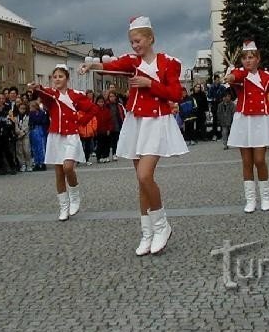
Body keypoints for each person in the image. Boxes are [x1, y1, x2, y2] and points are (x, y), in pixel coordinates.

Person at [80, 16, 188, 255]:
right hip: (136, 122)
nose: (135, 46)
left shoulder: (169, 63)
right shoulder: (131, 61)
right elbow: (112, 66)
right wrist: (91, 66)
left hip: (157, 122)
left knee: (145, 175)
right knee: (140, 182)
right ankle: (147, 233)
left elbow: (176, 94)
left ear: (150, 38)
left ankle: (162, 225)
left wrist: (149, 84)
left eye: (138, 41)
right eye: (131, 42)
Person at [224, 40, 269, 213]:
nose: (248, 61)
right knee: (246, 162)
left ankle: (266, 197)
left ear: (258, 59)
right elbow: (235, 77)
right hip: (243, 120)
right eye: (244, 58)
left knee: (259, 160)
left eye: (251, 57)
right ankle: (250, 199)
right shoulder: (240, 75)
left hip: (261, 121)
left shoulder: (267, 78)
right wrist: (230, 75)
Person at [30, 64, 97, 221]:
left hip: (71, 136)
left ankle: (74, 197)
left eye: (61, 76)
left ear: (67, 78)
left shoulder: (76, 95)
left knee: (68, 167)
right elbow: (42, 92)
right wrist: (36, 87)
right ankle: (63, 207)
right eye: (55, 77)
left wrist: (81, 121)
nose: (57, 79)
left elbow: (93, 109)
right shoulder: (51, 95)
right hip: (55, 137)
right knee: (59, 173)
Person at [28, 100, 49, 171]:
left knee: (41, 147)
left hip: (40, 130)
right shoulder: (31, 114)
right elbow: (31, 121)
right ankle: (36, 163)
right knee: (34, 147)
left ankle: (42, 163)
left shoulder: (42, 113)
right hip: (34, 130)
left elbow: (43, 121)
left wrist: (37, 120)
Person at [12, 101, 32, 172]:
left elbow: (28, 126)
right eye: (21, 108)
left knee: (26, 150)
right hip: (18, 135)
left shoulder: (28, 117)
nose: (22, 110)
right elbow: (15, 126)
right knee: (19, 151)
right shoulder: (15, 117)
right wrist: (18, 133)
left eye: (24, 109)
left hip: (25, 135)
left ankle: (29, 164)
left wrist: (23, 132)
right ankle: (22, 164)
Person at [105, 90, 125, 160]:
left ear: (115, 97)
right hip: (108, 126)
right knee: (107, 141)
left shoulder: (119, 105)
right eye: (110, 96)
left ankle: (114, 153)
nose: (112, 98)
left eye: (113, 96)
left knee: (115, 141)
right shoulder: (106, 105)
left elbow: (122, 114)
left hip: (117, 125)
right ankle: (106, 155)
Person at [94, 95, 113, 163]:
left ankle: (106, 156)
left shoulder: (107, 110)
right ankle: (99, 157)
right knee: (99, 144)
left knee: (107, 144)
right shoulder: (95, 110)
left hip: (106, 130)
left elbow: (109, 120)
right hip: (98, 130)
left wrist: (109, 129)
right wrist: (94, 129)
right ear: (97, 102)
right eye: (99, 102)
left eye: (102, 102)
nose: (101, 103)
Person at [207, 74, 226, 141]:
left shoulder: (222, 87)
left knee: (221, 120)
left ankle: (222, 134)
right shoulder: (211, 87)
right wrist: (213, 98)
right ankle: (214, 134)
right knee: (215, 120)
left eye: (219, 80)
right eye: (217, 80)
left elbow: (225, 94)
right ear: (214, 80)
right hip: (214, 105)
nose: (218, 81)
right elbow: (209, 96)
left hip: (221, 104)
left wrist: (223, 99)